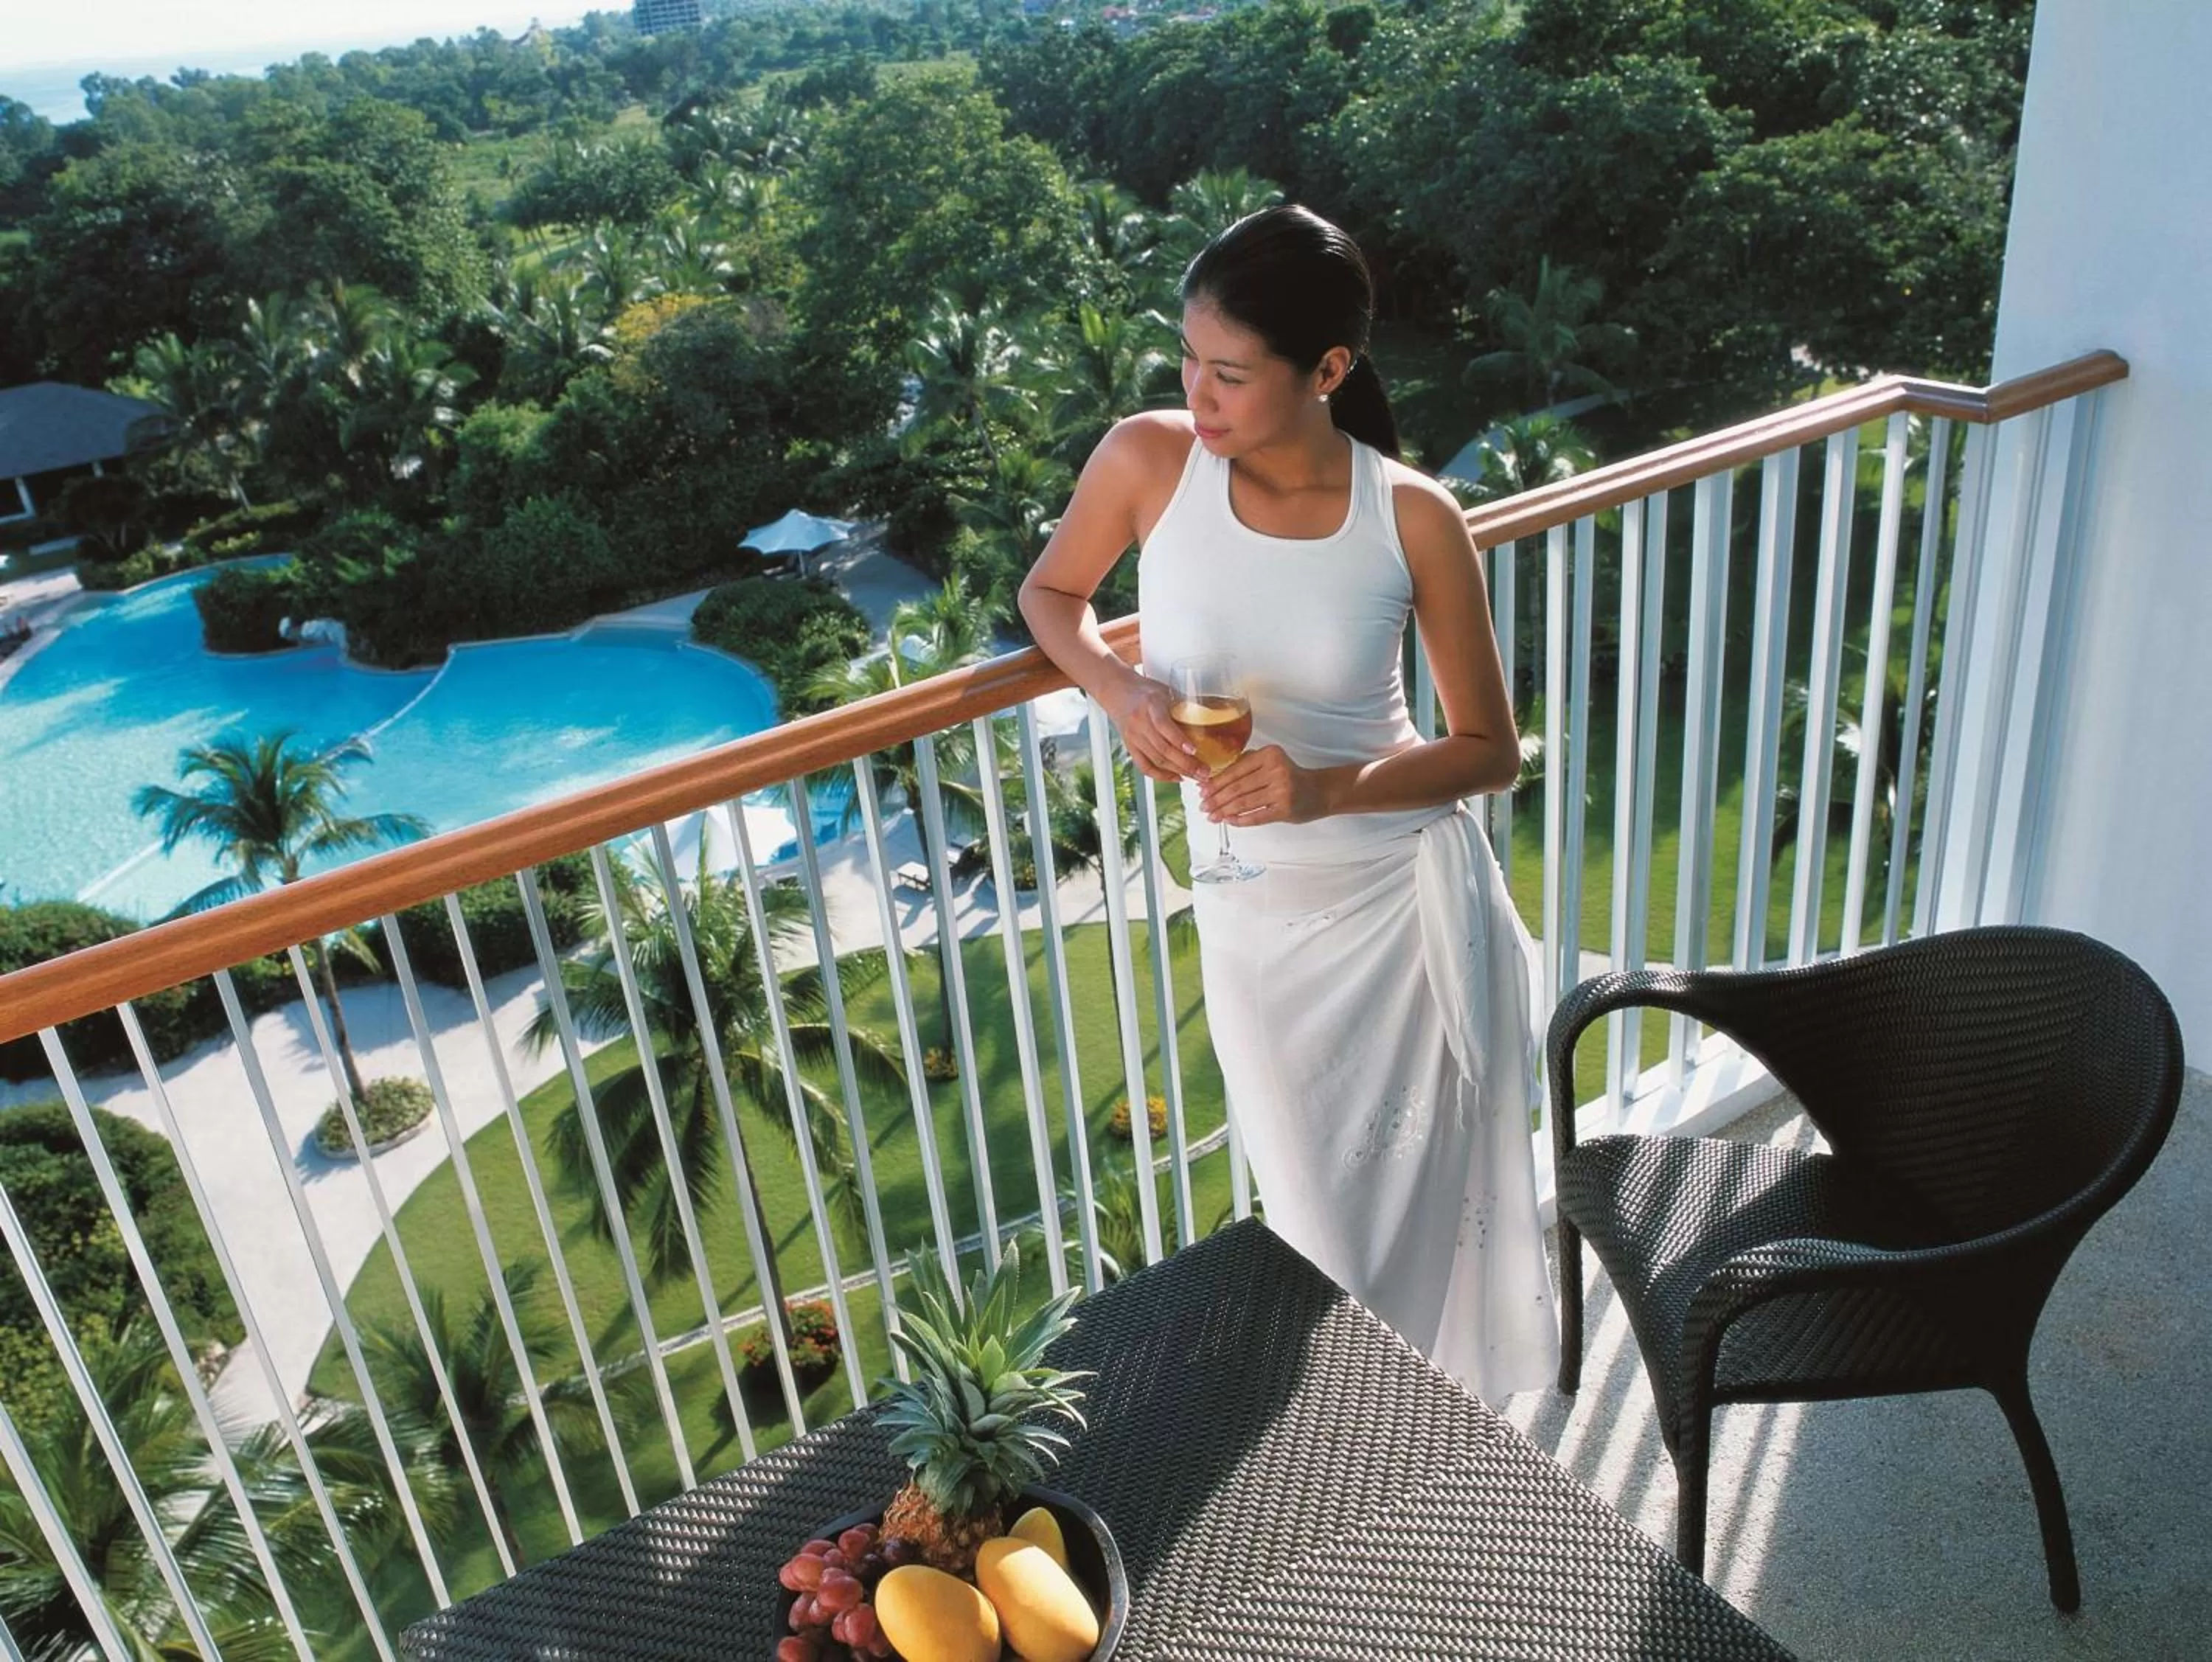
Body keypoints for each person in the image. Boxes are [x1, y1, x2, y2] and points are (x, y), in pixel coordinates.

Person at [1018, 204, 1557, 1402]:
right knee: (1317, 1220)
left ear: (1328, 370)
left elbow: (1489, 750)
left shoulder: (1412, 515)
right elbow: (1051, 593)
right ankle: (1363, 1440)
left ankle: (1433, 1447)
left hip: (1401, 902)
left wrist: (1324, 787)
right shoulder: (1148, 461)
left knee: (1424, 1220)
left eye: (1229, 374)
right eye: (1188, 363)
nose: (1197, 399)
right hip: (1258, 913)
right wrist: (1116, 687)